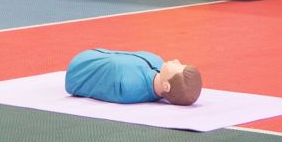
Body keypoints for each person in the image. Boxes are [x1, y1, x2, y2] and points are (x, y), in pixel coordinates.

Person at [65, 48, 203, 105]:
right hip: (92, 56)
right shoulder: (157, 61)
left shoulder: (128, 85)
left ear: (167, 86)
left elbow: (76, 80)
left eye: (177, 66)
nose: (176, 60)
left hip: (78, 67)